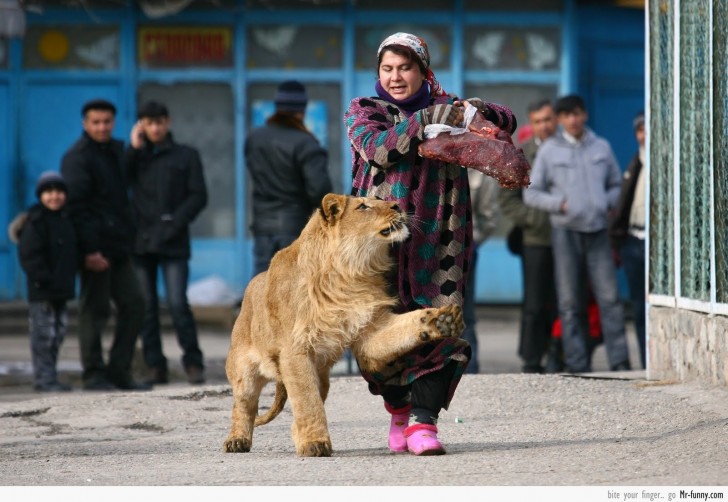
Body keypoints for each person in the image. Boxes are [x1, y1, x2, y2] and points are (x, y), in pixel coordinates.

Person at [345, 32, 518, 455]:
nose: (396, 77)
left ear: (423, 71)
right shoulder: (365, 111)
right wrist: (426, 120)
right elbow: (379, 149)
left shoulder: (448, 107)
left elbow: (505, 120)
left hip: (442, 238)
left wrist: (474, 111)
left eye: (405, 68)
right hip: (378, 245)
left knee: (440, 325)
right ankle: (399, 409)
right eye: (387, 69)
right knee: (376, 333)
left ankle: (424, 423)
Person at [523, 94, 631, 373]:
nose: (573, 119)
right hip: (565, 233)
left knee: (610, 298)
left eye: (577, 114)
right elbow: (531, 193)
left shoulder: (601, 147)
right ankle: (577, 363)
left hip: (598, 233)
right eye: (567, 115)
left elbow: (616, 185)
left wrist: (602, 203)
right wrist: (559, 204)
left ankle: (620, 361)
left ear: (584, 115)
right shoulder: (549, 151)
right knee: (569, 302)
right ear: (560, 120)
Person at [60, 98, 149, 391]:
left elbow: (126, 183)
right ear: (85, 124)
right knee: (94, 310)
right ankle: (93, 374)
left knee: (135, 303)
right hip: (94, 248)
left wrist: (135, 150)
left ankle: (119, 370)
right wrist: (89, 251)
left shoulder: (115, 151)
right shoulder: (78, 158)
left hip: (118, 246)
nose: (102, 127)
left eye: (107, 122)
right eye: (96, 122)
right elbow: (76, 208)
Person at [124, 100, 209, 385]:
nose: (155, 128)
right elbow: (118, 183)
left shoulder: (186, 156)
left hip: (173, 241)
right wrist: (133, 150)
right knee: (145, 306)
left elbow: (198, 196)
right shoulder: (134, 157)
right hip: (141, 242)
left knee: (177, 304)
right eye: (149, 123)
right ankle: (155, 366)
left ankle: (194, 363)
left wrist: (175, 221)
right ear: (141, 126)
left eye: (159, 122)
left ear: (167, 122)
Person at [245, 80, 332, 276]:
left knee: (262, 282)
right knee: (292, 283)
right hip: (295, 225)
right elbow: (319, 190)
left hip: (262, 224)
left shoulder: (254, 138)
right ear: (301, 109)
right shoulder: (306, 142)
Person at [498, 98, 559, 373]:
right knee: (535, 303)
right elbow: (508, 200)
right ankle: (531, 358)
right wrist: (534, 219)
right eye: (538, 121)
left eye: (548, 119)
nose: (544, 126)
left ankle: (561, 355)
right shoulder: (522, 156)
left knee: (565, 302)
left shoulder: (568, 152)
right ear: (531, 125)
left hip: (570, 238)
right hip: (536, 240)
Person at [14, 172, 77, 392]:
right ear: (41, 195)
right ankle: (43, 379)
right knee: (43, 336)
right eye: (49, 192)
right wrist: (43, 280)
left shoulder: (66, 219)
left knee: (58, 334)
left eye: (59, 192)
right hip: (42, 292)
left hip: (61, 291)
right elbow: (30, 257)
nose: (54, 197)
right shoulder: (36, 222)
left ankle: (50, 376)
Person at [609, 111, 646, 369]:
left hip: (654, 241)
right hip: (633, 239)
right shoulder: (635, 163)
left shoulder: (669, 162)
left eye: (649, 129)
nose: (645, 135)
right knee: (639, 307)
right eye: (640, 130)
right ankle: (646, 362)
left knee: (652, 303)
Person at [461, 171, 499, 374]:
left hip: (465, 249)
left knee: (465, 315)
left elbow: (489, 217)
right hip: (430, 249)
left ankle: (470, 370)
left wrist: (472, 241)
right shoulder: (433, 156)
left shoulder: (480, 173)